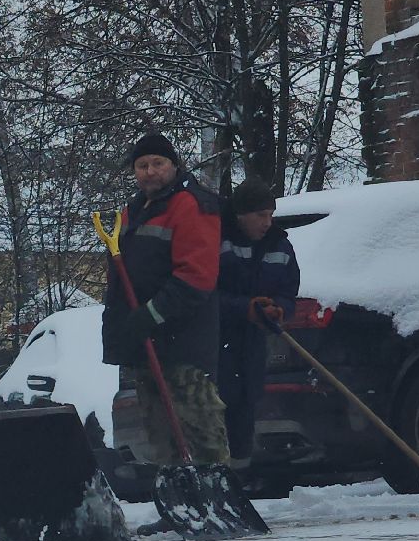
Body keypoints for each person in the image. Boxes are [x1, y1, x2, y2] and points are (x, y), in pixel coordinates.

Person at [102, 132, 231, 471]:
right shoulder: (133, 212)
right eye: (142, 165)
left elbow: (197, 275)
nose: (150, 172)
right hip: (147, 344)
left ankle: (212, 490)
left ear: (174, 165)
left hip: (183, 342)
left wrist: (153, 313)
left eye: (158, 163)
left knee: (197, 423)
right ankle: (180, 496)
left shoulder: (191, 204)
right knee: (160, 430)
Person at [215, 177, 299, 469]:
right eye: (260, 215)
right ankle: (216, 475)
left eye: (270, 215)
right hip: (217, 342)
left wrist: (279, 310)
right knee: (217, 412)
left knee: (244, 411)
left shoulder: (280, 246)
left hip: (252, 345)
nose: (267, 222)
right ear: (241, 215)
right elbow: (205, 294)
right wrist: (244, 308)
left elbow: (289, 290)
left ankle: (240, 478)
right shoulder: (218, 241)